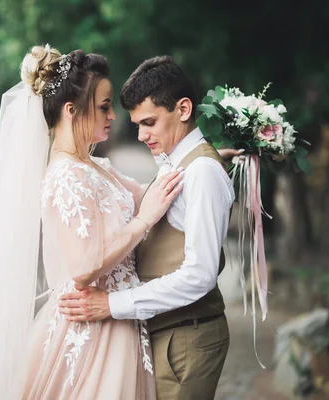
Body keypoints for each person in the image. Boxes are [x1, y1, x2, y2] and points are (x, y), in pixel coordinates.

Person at [0, 45, 185, 399]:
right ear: (72, 111)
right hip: (91, 332)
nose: (113, 115)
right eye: (103, 106)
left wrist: (200, 160)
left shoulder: (95, 167)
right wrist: (143, 221)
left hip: (116, 319)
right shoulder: (65, 177)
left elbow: (150, 192)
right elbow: (84, 267)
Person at [59, 55, 237, 400]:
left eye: (150, 123)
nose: (141, 135)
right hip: (170, 333)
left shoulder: (201, 172)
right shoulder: (183, 163)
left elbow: (200, 275)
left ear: (183, 109)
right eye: (137, 124)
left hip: (187, 338)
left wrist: (112, 304)